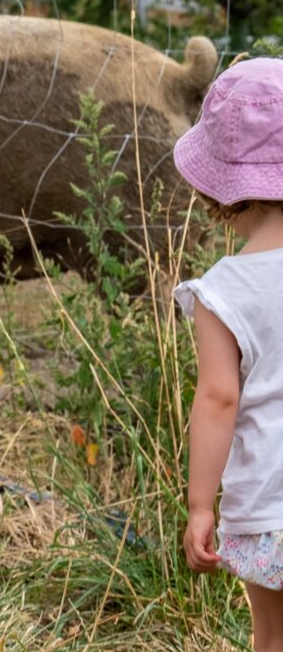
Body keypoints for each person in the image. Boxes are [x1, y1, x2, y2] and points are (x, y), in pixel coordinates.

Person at [173, 57, 283, 651]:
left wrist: (199, 505)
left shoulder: (224, 290)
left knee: (272, 636)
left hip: (271, 510)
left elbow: (217, 398)